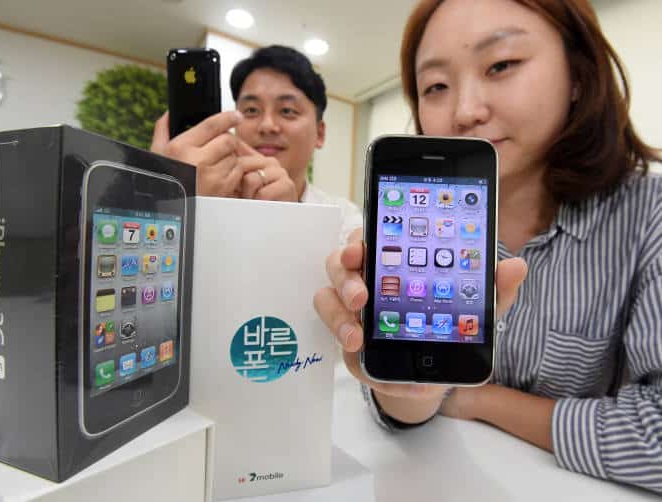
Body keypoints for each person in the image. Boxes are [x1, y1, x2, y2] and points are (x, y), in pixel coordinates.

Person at [313, 0, 662, 493]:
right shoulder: (419, 221)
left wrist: (479, 400)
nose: (465, 111)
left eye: (501, 65)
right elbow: (407, 408)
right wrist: (412, 392)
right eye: (436, 86)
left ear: (578, 76)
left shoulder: (650, 215)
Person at [151, 45, 361, 246]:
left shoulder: (343, 217)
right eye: (251, 110)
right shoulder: (196, 192)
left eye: (287, 111)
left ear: (320, 134)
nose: (267, 126)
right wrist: (169, 201)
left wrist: (293, 221)